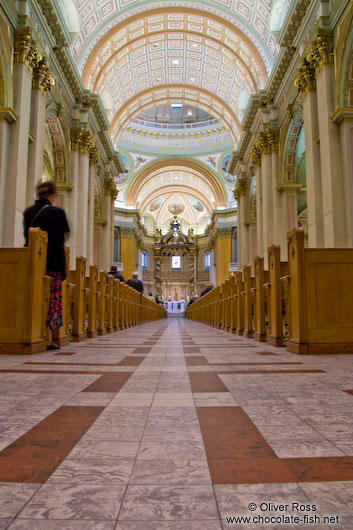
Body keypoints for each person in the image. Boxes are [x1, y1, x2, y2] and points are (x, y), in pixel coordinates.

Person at [23, 181, 70, 350]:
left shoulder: (29, 212)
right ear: (52, 195)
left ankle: (31, 332)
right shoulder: (57, 212)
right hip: (53, 263)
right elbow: (64, 236)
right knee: (53, 299)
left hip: (33, 262)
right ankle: (49, 337)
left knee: (33, 295)